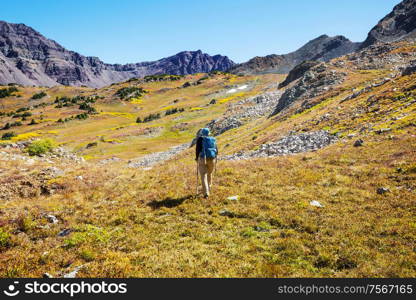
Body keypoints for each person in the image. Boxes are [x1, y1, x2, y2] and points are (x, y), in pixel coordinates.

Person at [195, 128, 218, 198]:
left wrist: (197, 158)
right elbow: (216, 150)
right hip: (212, 158)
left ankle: (206, 193)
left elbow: (197, 150)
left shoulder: (200, 139)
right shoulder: (213, 139)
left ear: (202, 133)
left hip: (202, 158)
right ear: (209, 133)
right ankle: (209, 186)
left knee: (203, 175)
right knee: (209, 173)